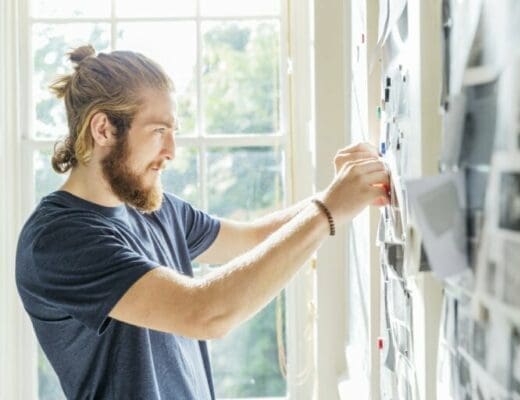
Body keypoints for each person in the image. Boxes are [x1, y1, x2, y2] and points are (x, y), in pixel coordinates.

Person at [15, 45, 390, 399]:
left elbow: (253, 239)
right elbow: (206, 313)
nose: (172, 151)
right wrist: (327, 211)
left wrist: (337, 194)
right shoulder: (58, 238)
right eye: (159, 131)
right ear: (104, 130)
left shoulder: (152, 208)